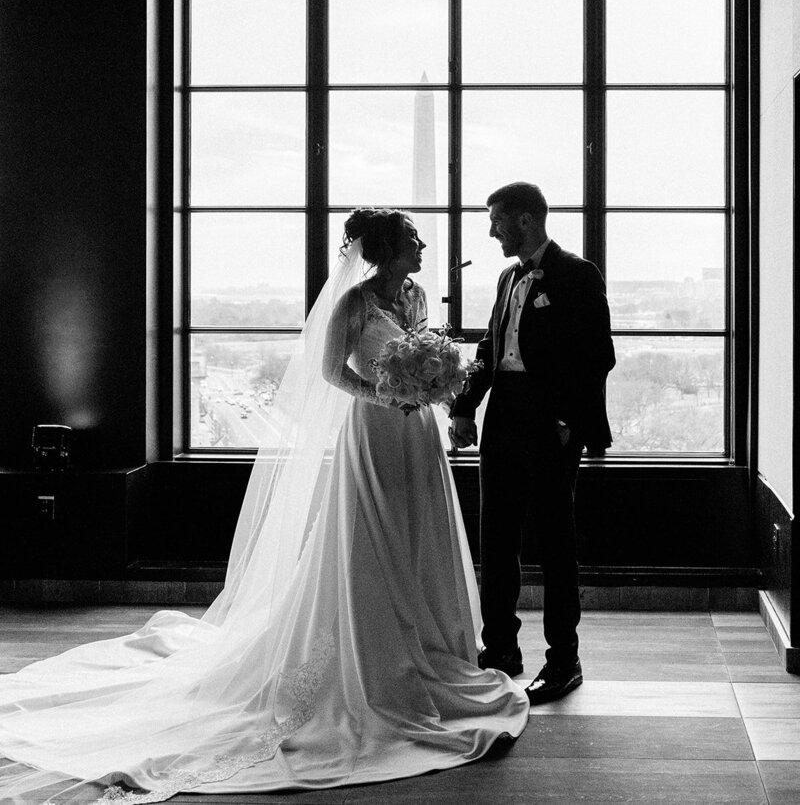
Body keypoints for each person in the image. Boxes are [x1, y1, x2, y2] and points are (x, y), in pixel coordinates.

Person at [0, 207, 528, 804]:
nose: (423, 245)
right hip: (375, 432)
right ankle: (372, 655)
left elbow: (424, 349)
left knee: (419, 531)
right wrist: (385, 392)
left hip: (415, 434)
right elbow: (331, 372)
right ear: (385, 248)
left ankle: (433, 645)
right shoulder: (353, 304)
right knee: (368, 538)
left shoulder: (415, 294)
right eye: (412, 239)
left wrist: (430, 385)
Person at [449, 182, 615, 706]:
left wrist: (568, 418)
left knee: (554, 541)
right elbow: (491, 346)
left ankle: (564, 659)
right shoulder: (506, 276)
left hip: (551, 422)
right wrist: (463, 405)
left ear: (525, 220)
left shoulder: (577, 274)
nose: (491, 229)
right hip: (504, 416)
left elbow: (598, 354)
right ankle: (500, 649)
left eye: (496, 219)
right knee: (496, 537)